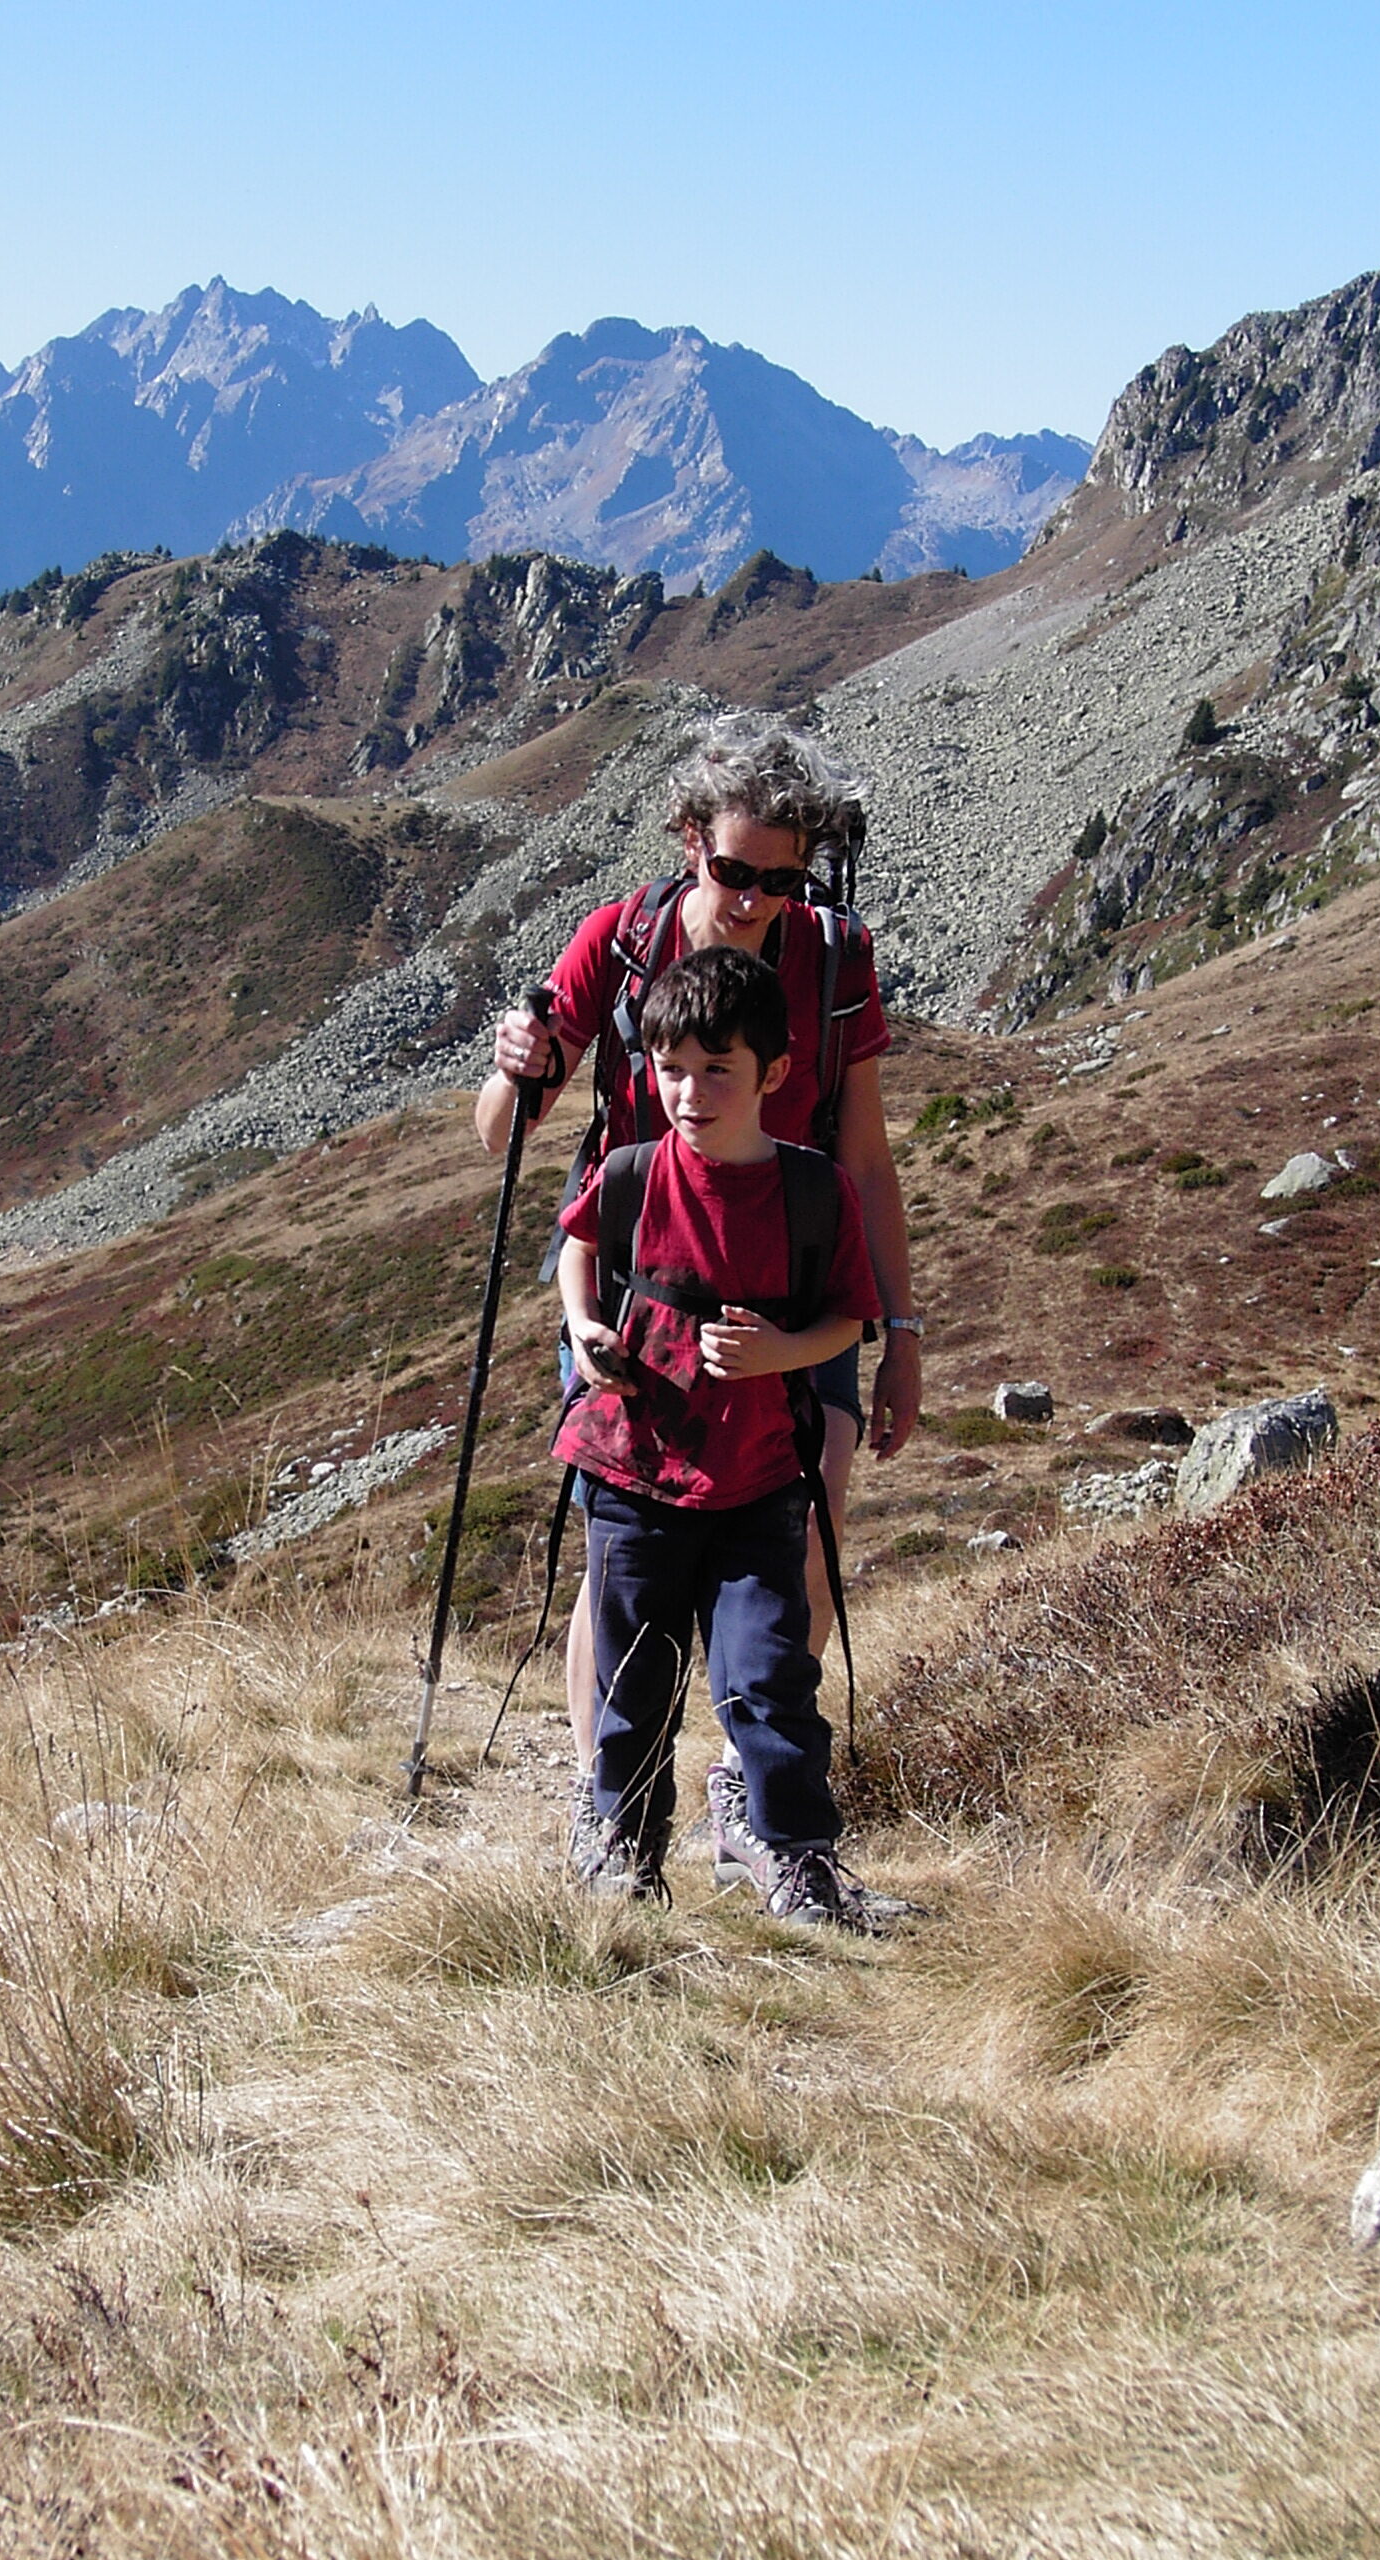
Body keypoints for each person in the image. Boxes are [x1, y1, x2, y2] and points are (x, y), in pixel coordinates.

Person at [474, 714, 922, 1885]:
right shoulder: (618, 946)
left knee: (801, 1534)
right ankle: (608, 1805)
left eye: (785, 877)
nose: (758, 899)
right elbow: (500, 1136)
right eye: (735, 872)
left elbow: (866, 1158)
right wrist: (515, 1065)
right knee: (622, 1553)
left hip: (791, 1274)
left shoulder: (835, 959)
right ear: (689, 843)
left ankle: (751, 1792)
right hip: (636, 1280)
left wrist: (902, 1334)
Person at [553, 946, 880, 1920]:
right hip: (630, 1473)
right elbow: (578, 1247)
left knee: (769, 1677)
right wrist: (584, 1326)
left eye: (717, 1069)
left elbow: (847, 1319)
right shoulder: (631, 1174)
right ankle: (623, 1852)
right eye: (671, 1069)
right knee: (630, 1680)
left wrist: (783, 1354)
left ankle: (791, 1856)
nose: (689, 1092)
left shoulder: (815, 1193)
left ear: (774, 1072)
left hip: (758, 1487)